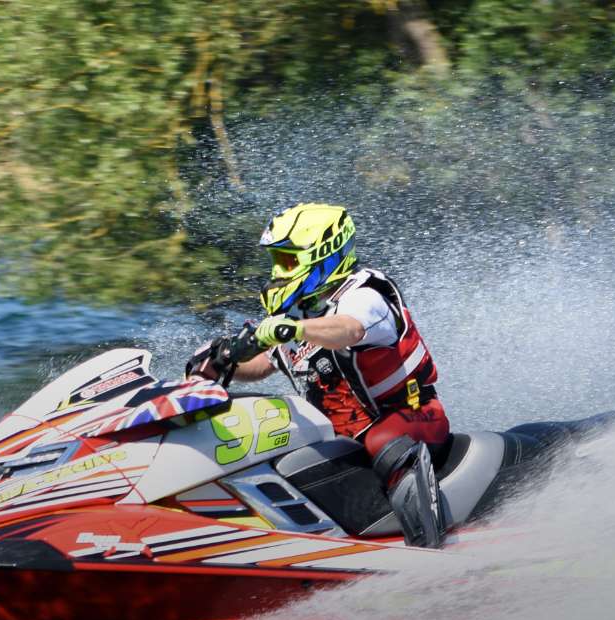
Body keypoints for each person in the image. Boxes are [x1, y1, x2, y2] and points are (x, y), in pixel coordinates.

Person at [187, 203, 450, 548]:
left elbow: (350, 330)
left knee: (383, 440)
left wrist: (290, 328)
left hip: (412, 418)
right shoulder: (299, 313)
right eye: (277, 261)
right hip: (343, 438)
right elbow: (263, 366)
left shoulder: (363, 295)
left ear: (323, 255)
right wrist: (223, 362)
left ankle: (429, 549)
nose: (279, 272)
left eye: (288, 261)